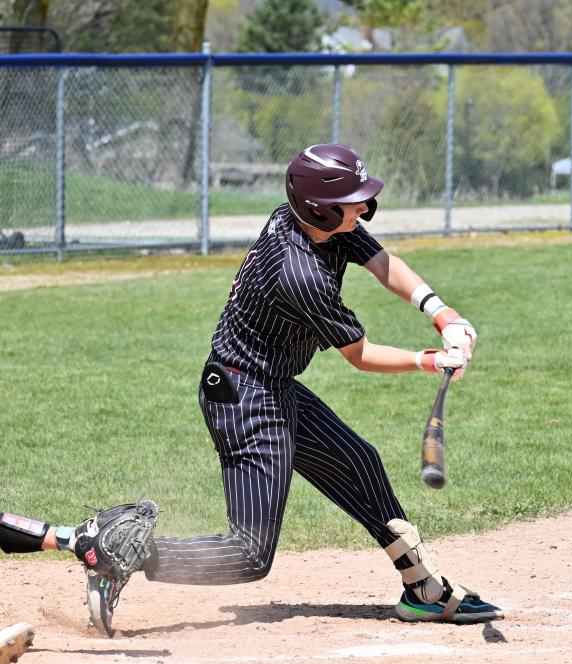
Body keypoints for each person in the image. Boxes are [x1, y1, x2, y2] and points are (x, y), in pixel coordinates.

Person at [0, 144, 503, 636]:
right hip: (244, 397)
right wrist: (429, 359)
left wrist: (442, 313)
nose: (366, 208)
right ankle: (104, 548)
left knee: (358, 463)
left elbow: (380, 261)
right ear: (320, 209)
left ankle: (422, 590)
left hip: (270, 384)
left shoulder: (313, 224)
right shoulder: (299, 273)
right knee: (249, 554)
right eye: (355, 201)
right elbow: (360, 354)